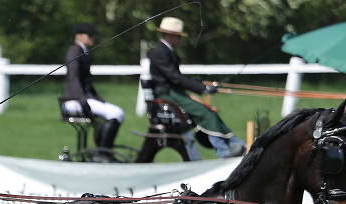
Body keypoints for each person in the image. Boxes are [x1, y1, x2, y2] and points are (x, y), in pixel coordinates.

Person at [149, 17, 246, 158]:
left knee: (209, 113)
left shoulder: (166, 50)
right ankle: (225, 150)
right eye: (178, 37)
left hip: (174, 91)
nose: (180, 40)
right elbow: (175, 78)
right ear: (170, 35)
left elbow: (175, 77)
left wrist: (198, 83)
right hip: (167, 94)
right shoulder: (160, 52)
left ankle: (235, 144)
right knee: (206, 114)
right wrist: (202, 89)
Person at [61, 22, 125, 162]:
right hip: (73, 100)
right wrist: (83, 101)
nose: (93, 38)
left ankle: (103, 152)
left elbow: (87, 83)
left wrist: (98, 98)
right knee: (115, 113)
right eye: (90, 35)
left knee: (117, 113)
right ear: (79, 36)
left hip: (82, 98)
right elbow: (74, 80)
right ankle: (101, 154)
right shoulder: (74, 52)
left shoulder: (82, 52)